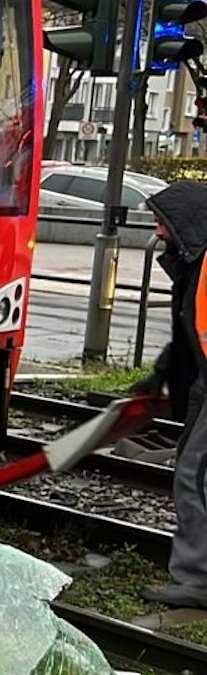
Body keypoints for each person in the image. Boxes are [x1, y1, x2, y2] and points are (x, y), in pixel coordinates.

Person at [138, 182, 207, 609]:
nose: (157, 231)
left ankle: (197, 580)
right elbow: (192, 338)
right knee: (191, 467)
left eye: (162, 222)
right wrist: (164, 374)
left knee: (194, 476)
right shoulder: (194, 264)